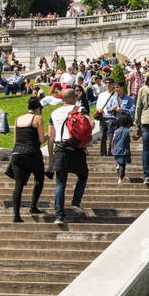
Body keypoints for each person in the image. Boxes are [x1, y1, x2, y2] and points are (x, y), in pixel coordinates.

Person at [48, 89, 90, 222]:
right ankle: (76, 202)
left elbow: (51, 136)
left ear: (62, 99)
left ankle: (59, 215)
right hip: (76, 147)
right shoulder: (80, 109)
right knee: (83, 176)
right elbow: (90, 123)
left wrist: (50, 156)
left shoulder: (54, 113)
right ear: (73, 98)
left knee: (60, 182)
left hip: (60, 148)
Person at [9, 98, 50, 222]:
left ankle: (16, 215)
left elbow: (15, 139)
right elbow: (41, 140)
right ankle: (33, 206)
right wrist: (48, 136)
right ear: (38, 108)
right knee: (39, 179)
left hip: (17, 153)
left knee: (18, 185)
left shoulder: (18, 119)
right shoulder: (37, 119)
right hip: (32, 153)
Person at [112, 111, 133, 181]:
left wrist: (112, 148)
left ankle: (117, 164)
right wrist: (139, 135)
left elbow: (113, 140)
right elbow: (134, 137)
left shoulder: (116, 131)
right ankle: (120, 178)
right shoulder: (129, 130)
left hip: (116, 149)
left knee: (118, 160)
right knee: (123, 164)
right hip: (124, 150)